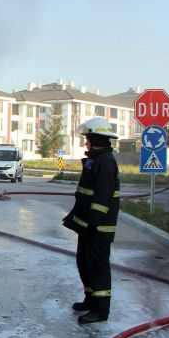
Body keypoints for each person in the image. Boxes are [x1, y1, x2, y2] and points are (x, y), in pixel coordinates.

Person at [62, 117, 120, 324]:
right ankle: (90, 299)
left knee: (97, 267)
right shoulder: (97, 160)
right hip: (88, 226)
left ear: (95, 138)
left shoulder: (105, 162)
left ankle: (100, 310)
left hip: (98, 227)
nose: (85, 141)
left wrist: (93, 223)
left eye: (87, 138)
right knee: (84, 263)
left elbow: (102, 198)